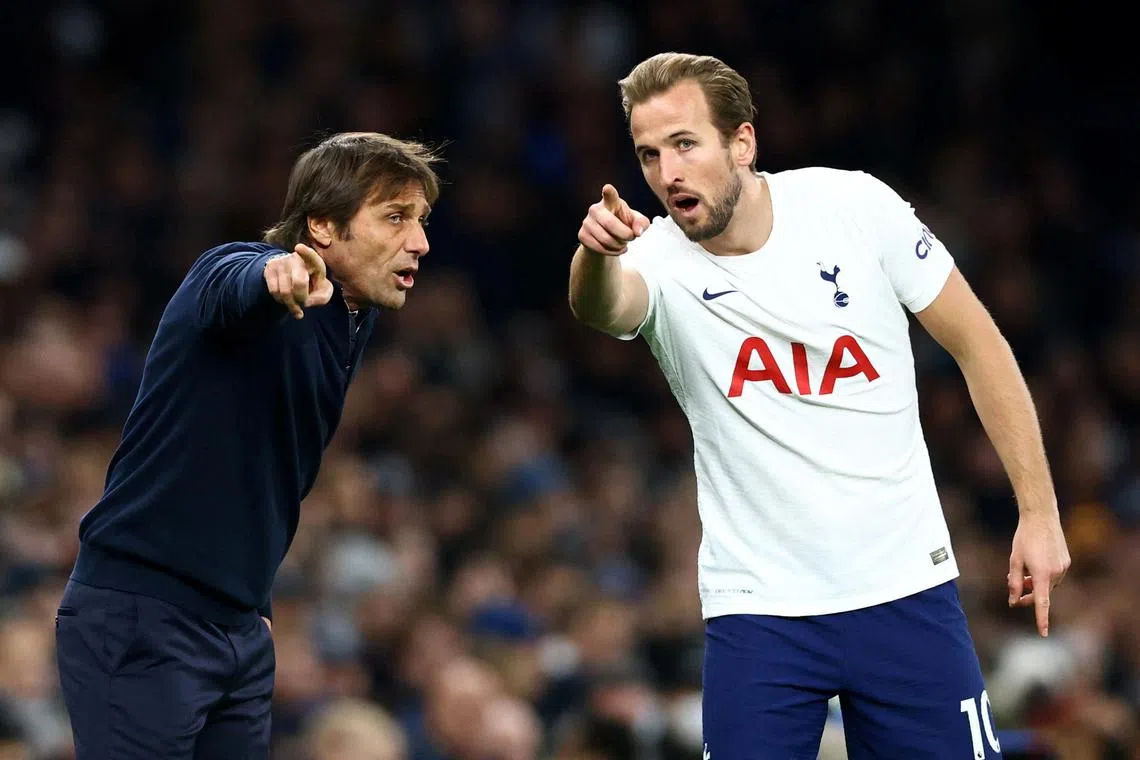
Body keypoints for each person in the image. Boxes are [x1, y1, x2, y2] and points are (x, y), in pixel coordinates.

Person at [568, 52, 1071, 759]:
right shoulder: (654, 258)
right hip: (760, 613)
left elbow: (979, 345)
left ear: (742, 142)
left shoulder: (855, 208)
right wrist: (596, 254)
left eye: (685, 144)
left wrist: (1039, 512)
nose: (667, 172)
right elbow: (600, 306)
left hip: (904, 587)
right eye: (649, 154)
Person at [53, 131, 441, 759]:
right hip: (145, 616)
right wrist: (273, 277)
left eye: (421, 220)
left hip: (238, 630)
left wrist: (253, 606)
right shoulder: (234, 268)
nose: (419, 241)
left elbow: (266, 469)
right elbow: (229, 289)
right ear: (322, 225)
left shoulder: (354, 313)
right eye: (395, 217)